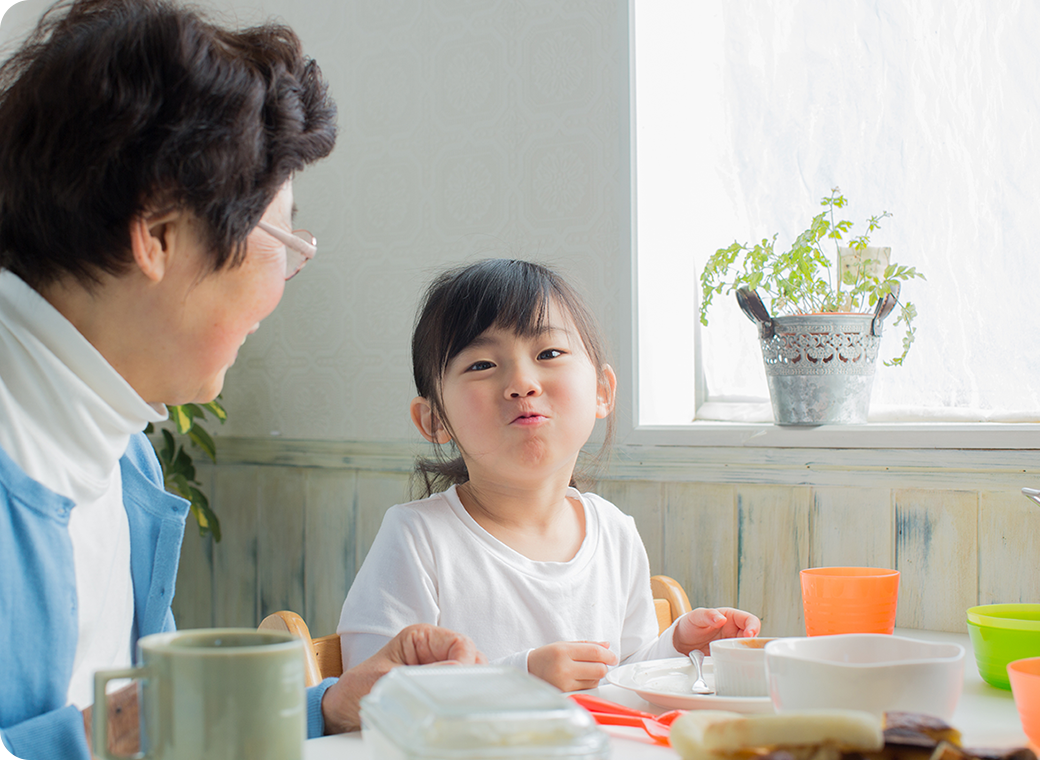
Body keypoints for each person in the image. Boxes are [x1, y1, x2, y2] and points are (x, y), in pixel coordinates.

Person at [0, 1, 483, 758]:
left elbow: (139, 721)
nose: (283, 283)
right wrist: (143, 721)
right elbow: (133, 725)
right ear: (158, 235)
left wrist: (325, 704)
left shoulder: (124, 453)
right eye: (281, 239)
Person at [337, 259, 761, 691]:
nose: (522, 383)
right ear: (434, 420)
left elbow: (619, 677)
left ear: (602, 391)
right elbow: (370, 696)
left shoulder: (614, 532)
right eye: (481, 364)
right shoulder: (418, 537)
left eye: (549, 354)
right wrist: (519, 678)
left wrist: (674, 649)